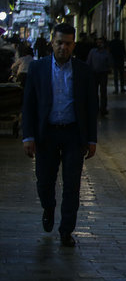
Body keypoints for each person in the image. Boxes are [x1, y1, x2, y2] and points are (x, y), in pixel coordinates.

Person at [21, 23, 98, 247]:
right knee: (44, 181)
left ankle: (66, 230)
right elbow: (29, 105)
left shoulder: (83, 71)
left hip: (74, 134)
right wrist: (28, 137)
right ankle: (48, 206)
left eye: (68, 43)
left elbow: (91, 106)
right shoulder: (38, 68)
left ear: (73, 45)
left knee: (72, 184)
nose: (63, 47)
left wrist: (91, 139)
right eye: (59, 43)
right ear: (51, 43)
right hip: (47, 134)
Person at [87, 37, 112, 116]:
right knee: (94, 92)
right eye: (98, 42)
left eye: (101, 42)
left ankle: (103, 109)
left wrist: (108, 68)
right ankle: (95, 108)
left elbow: (110, 63)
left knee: (103, 92)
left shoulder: (106, 53)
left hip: (103, 74)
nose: (99, 44)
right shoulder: (92, 52)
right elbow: (88, 62)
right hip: (94, 73)